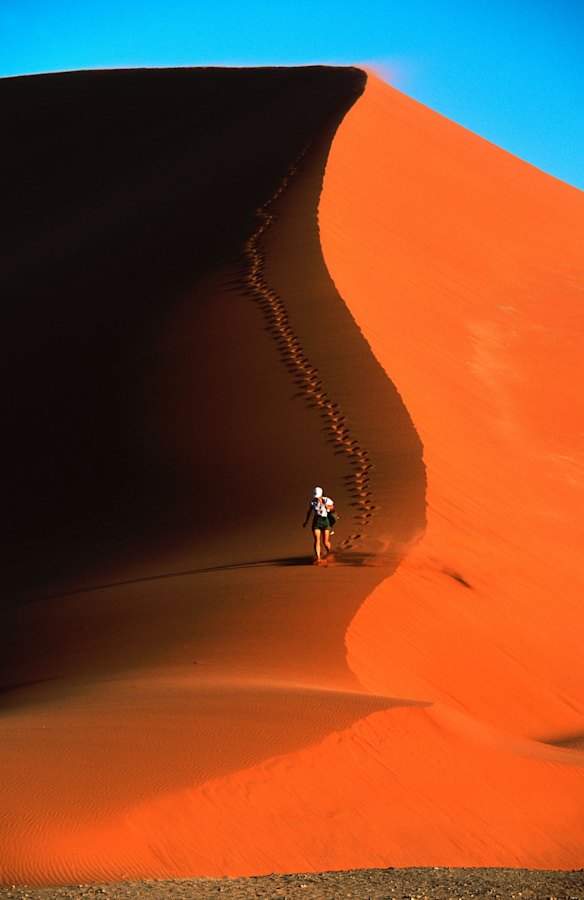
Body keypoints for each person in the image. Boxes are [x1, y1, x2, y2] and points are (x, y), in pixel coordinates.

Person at [303, 486, 334, 564]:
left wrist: (328, 507)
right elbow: (309, 511)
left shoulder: (326, 500)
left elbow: (332, 508)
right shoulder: (313, 502)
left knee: (325, 542)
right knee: (317, 540)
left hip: (325, 521)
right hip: (316, 521)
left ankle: (329, 553)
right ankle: (318, 558)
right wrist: (306, 522)